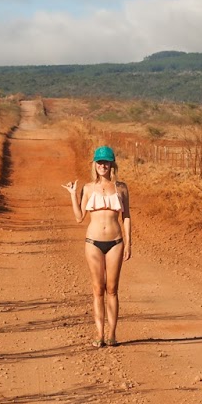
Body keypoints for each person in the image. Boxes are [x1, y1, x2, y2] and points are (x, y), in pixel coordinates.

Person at [62, 145, 131, 347]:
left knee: (112, 289)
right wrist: (73, 194)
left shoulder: (121, 188)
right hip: (93, 242)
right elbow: (79, 217)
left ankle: (112, 335)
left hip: (116, 242)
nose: (102, 165)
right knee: (98, 289)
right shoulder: (88, 188)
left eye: (106, 162)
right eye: (99, 162)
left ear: (112, 164)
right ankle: (99, 335)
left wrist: (129, 243)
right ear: (94, 164)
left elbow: (126, 217)